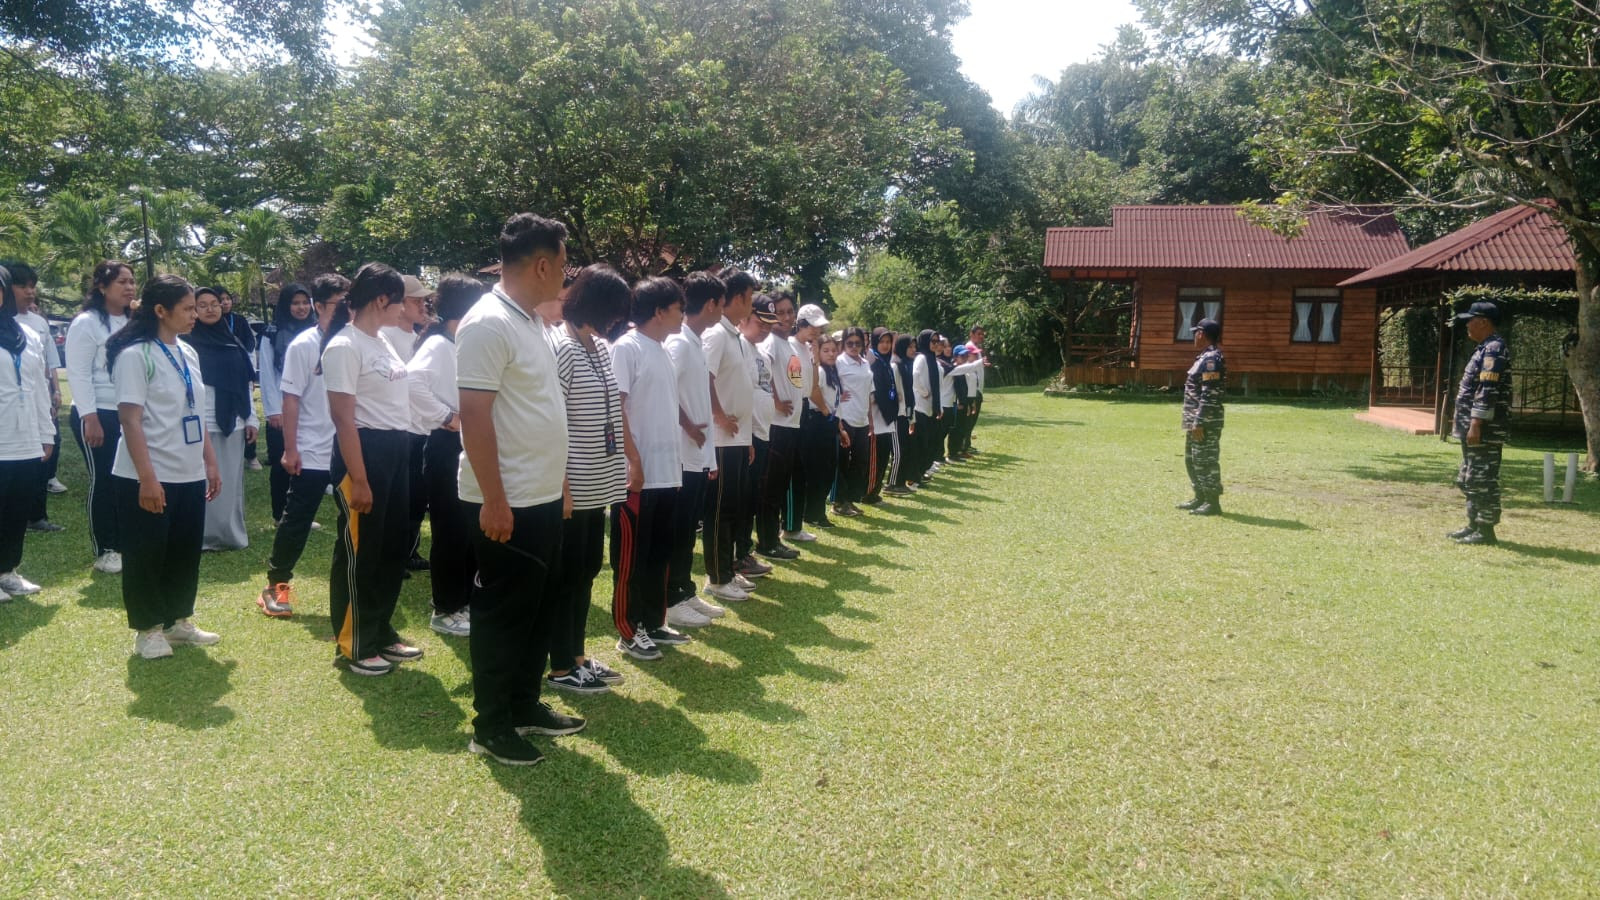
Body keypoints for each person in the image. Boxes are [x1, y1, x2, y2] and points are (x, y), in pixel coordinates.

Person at [459, 214, 583, 765]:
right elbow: (474, 417)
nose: (565, 274)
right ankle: (490, 724)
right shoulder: (487, 323)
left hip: (540, 495)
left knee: (536, 610)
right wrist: (494, 499)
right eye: (563, 263)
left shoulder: (530, 321)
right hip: (505, 501)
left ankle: (525, 703)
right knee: (502, 614)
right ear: (541, 264)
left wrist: (557, 483)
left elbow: (538, 409)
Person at [104, 275, 222, 659]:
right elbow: (130, 420)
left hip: (188, 471)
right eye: (187, 308)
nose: (195, 314)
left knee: (184, 551)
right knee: (146, 553)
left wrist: (210, 461)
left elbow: (195, 410)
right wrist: (148, 479)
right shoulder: (136, 355)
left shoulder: (188, 352)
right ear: (160, 311)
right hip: (148, 474)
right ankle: (147, 630)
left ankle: (178, 621)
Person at [321, 262, 423, 676]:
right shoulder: (344, 347)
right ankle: (354, 641)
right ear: (382, 300)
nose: (405, 310)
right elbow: (344, 419)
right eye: (401, 302)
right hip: (364, 452)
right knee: (361, 550)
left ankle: (379, 627)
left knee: (391, 547)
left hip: (397, 450)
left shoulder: (381, 341)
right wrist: (359, 478)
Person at [547, 264, 633, 694]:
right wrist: (561, 484)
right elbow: (554, 419)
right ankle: (561, 666)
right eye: (613, 310)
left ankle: (577, 655)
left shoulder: (598, 347)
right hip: (572, 486)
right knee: (567, 576)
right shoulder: (561, 346)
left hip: (598, 481)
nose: (617, 319)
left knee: (586, 569)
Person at [255, 273, 348, 618]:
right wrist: (290, 448)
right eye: (339, 305)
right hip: (311, 448)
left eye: (348, 304)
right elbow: (290, 399)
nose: (345, 311)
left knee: (353, 521)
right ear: (318, 306)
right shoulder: (304, 345)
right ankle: (275, 586)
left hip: (349, 448)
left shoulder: (353, 341)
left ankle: (354, 587)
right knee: (297, 520)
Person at [610, 276, 690, 660]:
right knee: (632, 557)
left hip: (667, 472)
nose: (682, 315)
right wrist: (633, 461)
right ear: (659, 311)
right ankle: (629, 629)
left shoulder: (662, 349)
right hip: (638, 475)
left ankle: (654, 622)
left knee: (660, 553)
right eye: (678, 308)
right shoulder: (627, 348)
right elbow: (617, 407)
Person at [408, 274, 480, 635]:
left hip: (464, 443)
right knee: (450, 528)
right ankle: (446, 607)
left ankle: (464, 600)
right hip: (444, 444)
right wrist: (447, 418)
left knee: (466, 525)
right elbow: (413, 382)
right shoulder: (438, 344)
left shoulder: (456, 342)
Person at [66, 260, 135, 573]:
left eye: (132, 281)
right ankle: (106, 548)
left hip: (129, 412)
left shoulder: (136, 321)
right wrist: (89, 416)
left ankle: (126, 541)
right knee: (105, 479)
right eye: (122, 281)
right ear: (102, 287)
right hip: (99, 412)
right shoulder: (87, 322)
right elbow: (78, 373)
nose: (129, 287)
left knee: (129, 478)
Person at [663, 272, 722, 622]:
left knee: (688, 530)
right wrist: (687, 425)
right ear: (712, 304)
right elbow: (664, 392)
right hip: (680, 455)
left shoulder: (696, 342)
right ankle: (671, 600)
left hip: (698, 454)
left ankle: (685, 590)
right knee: (679, 530)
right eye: (723, 303)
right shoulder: (679, 343)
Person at [184, 287, 259, 551]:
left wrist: (251, 419)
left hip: (233, 421)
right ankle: (200, 536)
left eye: (214, 303)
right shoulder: (186, 344)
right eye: (201, 305)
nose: (210, 309)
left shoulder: (233, 340)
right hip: (200, 421)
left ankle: (228, 534)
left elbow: (245, 384)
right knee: (202, 479)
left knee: (229, 480)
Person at [702, 269, 759, 604]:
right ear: (737, 298)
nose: (751, 305)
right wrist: (719, 414)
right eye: (750, 297)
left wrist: (748, 437)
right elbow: (705, 377)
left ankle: (726, 570)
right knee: (719, 511)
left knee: (733, 508)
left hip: (737, 439)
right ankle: (717, 577)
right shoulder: (716, 335)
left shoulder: (733, 336)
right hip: (721, 440)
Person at [0, 265, 56, 602]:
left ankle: (7, 570)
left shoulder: (27, 335)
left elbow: (37, 388)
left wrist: (46, 432)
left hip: (23, 438)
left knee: (16, 508)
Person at [5, 262, 66, 533]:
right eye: (22, 286)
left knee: (19, 502)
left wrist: (46, 428)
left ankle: (8, 567)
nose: (30, 292)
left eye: (32, 286)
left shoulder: (32, 330)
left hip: (29, 421)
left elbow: (44, 374)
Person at [1449, 301, 1511, 546]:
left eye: (1471, 319)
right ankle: (1473, 524)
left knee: (1482, 479)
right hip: (1472, 428)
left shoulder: (1494, 349)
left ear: (1484, 322)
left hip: (1485, 430)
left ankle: (1486, 531)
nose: (1467, 324)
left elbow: (1487, 389)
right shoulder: (1483, 348)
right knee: (1469, 477)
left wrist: (1476, 423)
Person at [259, 282, 315, 522]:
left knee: (306, 461)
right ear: (285, 305)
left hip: (310, 407)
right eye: (295, 303)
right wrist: (273, 410)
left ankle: (299, 513)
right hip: (282, 408)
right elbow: (267, 375)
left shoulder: (318, 331)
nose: (301, 308)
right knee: (283, 463)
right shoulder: (272, 333)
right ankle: (279, 512)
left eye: (305, 302)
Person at [756, 293, 803, 560]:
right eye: (780, 313)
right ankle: (767, 541)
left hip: (791, 424)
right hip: (776, 424)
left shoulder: (792, 346)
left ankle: (772, 538)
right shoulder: (771, 343)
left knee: (780, 485)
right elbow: (764, 372)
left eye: (789, 312)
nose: (786, 318)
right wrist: (775, 399)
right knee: (770, 487)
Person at [735, 297, 779, 576]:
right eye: (759, 322)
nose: (764, 329)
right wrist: (747, 434)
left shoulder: (760, 352)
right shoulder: (739, 346)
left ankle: (745, 551)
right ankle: (738, 555)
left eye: (769, 325)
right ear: (744, 318)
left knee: (752, 498)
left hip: (762, 431)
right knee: (741, 500)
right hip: (746, 434)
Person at [395, 276, 434, 573]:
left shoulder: (419, 336)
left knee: (418, 498)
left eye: (424, 300)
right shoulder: (386, 336)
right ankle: (396, 556)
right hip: (401, 430)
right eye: (416, 300)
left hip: (423, 428)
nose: (423, 305)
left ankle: (408, 551)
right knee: (403, 499)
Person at [785, 301, 828, 540]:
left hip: (803, 410)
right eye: (812, 326)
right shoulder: (791, 346)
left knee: (802, 469)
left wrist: (815, 358)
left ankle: (794, 524)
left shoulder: (807, 349)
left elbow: (812, 386)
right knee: (793, 471)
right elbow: (795, 383)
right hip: (790, 412)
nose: (816, 331)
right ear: (800, 324)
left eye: (818, 328)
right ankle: (790, 526)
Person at [1176, 318, 1226, 516]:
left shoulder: (1212, 359)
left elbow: (1210, 394)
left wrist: (1200, 421)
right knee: (1192, 459)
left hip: (1205, 421)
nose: (1193, 336)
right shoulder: (1203, 357)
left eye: (1195, 332)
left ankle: (1213, 503)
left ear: (1201, 334)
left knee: (1206, 460)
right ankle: (1200, 497)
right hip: (1194, 420)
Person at [216, 288, 262, 471]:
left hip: (240, 373)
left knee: (247, 413)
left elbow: (250, 346)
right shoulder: (209, 324)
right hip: (219, 378)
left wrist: (250, 375)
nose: (225, 302)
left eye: (228, 298)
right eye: (221, 299)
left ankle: (251, 455)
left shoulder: (240, 320)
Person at [802, 330, 842, 527]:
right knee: (817, 471)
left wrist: (839, 426)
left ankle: (818, 512)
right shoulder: (818, 370)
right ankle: (813, 513)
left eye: (834, 350)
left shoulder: (833, 372)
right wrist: (826, 412)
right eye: (826, 350)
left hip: (830, 422)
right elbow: (813, 392)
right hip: (818, 421)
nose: (831, 354)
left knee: (828, 470)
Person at [834, 326, 874, 516]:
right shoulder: (839, 362)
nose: (854, 347)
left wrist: (870, 420)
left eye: (858, 343)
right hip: (846, 417)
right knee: (843, 463)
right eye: (849, 343)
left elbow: (868, 392)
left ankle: (850, 499)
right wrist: (837, 397)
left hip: (862, 417)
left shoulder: (865, 363)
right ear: (843, 344)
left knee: (860, 462)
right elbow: (828, 383)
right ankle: (839, 502)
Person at [864, 327, 899, 504]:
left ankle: (875, 492)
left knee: (884, 458)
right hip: (876, 420)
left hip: (886, 419)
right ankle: (868, 493)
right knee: (874, 461)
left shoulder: (886, 363)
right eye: (882, 342)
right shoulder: (873, 363)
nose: (885, 345)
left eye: (888, 342)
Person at [910, 329, 941, 485]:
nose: (936, 344)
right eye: (933, 341)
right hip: (920, 407)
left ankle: (920, 473)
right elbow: (914, 375)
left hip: (929, 408)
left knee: (928, 443)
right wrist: (924, 391)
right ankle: (914, 476)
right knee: (921, 444)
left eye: (937, 341)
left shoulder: (932, 358)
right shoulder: (922, 357)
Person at [888, 333, 918, 494]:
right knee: (898, 452)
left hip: (905, 413)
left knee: (906, 449)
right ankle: (892, 484)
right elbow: (897, 392)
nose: (913, 350)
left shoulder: (907, 364)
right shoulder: (896, 365)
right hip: (897, 415)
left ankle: (900, 482)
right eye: (910, 346)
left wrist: (911, 416)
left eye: (914, 346)